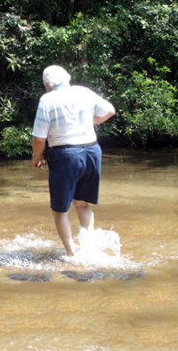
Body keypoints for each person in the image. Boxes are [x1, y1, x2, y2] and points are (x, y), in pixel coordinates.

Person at [31, 65, 115, 256]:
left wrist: (37, 157)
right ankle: (88, 248)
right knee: (83, 203)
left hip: (66, 155)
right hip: (92, 151)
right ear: (67, 79)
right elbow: (109, 111)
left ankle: (73, 255)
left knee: (60, 211)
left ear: (47, 85)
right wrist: (88, 121)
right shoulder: (83, 92)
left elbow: (38, 138)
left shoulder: (47, 99)